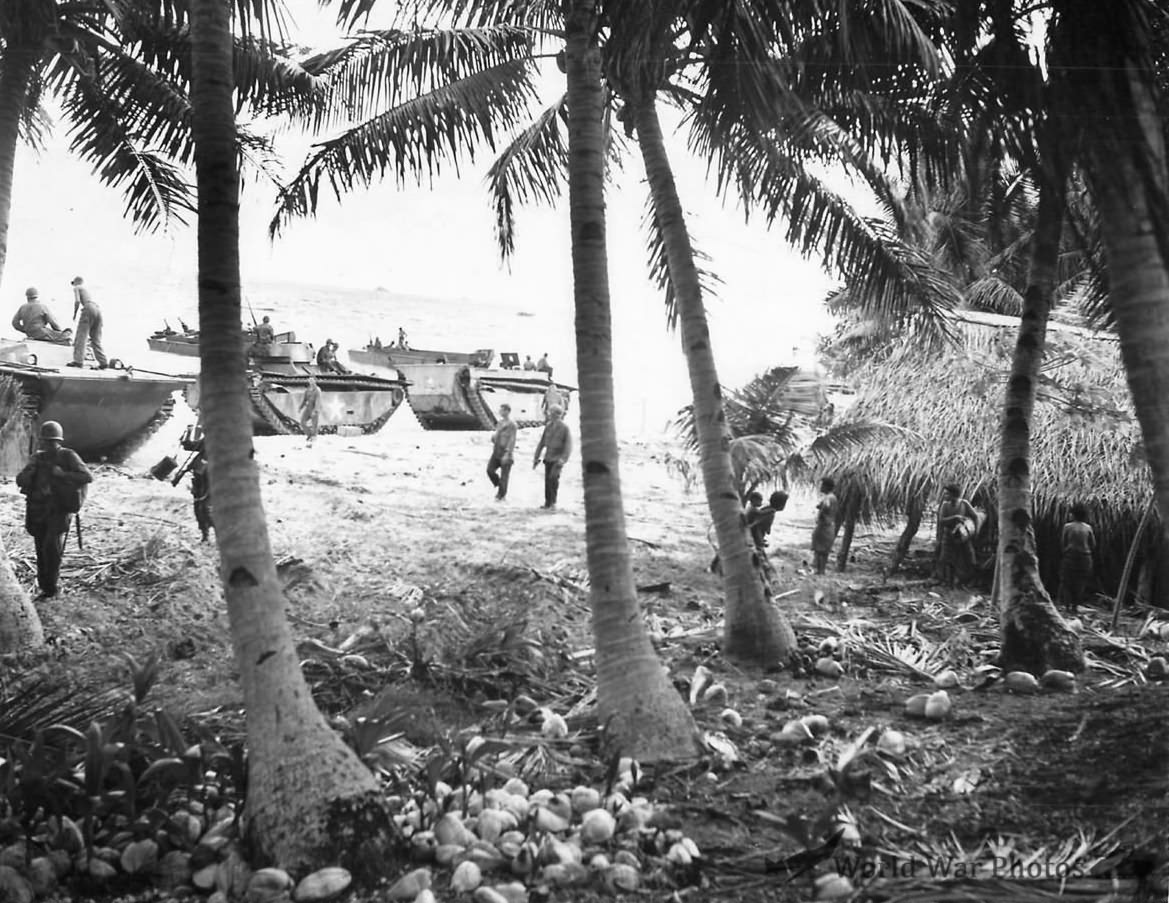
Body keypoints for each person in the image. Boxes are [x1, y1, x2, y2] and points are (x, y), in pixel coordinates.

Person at [15, 421, 92, 600]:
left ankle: (52, 587)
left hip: (59, 510)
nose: (48, 445)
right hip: (38, 510)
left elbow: (87, 476)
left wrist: (62, 474)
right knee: (41, 548)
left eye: (52, 441)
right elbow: (20, 480)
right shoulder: (37, 458)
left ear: (58, 441)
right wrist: (30, 472)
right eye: (46, 441)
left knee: (51, 547)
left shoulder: (68, 456)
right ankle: (45, 587)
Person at [936, 482, 979, 588]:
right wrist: (955, 518)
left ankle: (968, 581)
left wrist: (975, 531)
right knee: (947, 559)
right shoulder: (945, 505)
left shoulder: (964, 504)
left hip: (963, 535)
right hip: (948, 536)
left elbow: (975, 516)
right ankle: (949, 583)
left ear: (954, 494)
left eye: (947, 494)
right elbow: (941, 520)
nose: (945, 496)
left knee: (969, 557)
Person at [1058, 504, 1096, 614]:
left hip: (1070, 557)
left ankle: (1067, 606)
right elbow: (1093, 544)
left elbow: (1063, 543)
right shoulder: (1088, 528)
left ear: (1073, 515)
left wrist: (1066, 552)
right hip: (1085, 558)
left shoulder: (1067, 527)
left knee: (1067, 581)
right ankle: (1075, 606)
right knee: (1080, 582)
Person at [533, 404, 572, 510]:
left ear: (557, 414)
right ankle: (547, 502)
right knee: (547, 480)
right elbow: (542, 443)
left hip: (558, 459)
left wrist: (563, 459)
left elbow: (568, 446)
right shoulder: (548, 426)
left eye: (550, 412)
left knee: (553, 478)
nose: (548, 414)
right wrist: (536, 457)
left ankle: (553, 502)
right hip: (548, 458)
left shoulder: (565, 428)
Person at [68, 277, 108, 369]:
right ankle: (103, 362)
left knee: (81, 336)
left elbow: (77, 301)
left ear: (75, 283)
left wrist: (74, 314)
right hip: (97, 309)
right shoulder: (87, 290)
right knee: (96, 338)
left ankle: (78, 361)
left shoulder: (77, 288)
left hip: (88, 308)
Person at [487, 403, 517, 501]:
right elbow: (497, 434)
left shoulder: (512, 424)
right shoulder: (500, 423)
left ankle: (501, 495)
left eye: (502, 410)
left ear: (507, 411)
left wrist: (508, 452)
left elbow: (512, 439)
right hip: (496, 450)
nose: (500, 412)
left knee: (504, 475)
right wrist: (494, 438)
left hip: (505, 452)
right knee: (490, 470)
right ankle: (499, 485)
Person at [811, 477, 838, 575]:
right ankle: (820, 570)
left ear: (826, 486)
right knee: (823, 549)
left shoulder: (828, 498)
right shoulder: (832, 497)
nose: (820, 487)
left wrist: (821, 513)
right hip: (829, 525)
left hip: (824, 526)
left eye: (822, 485)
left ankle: (820, 570)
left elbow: (826, 506)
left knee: (820, 549)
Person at [299, 375, 322, 446]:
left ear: (315, 381)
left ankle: (314, 437)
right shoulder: (308, 390)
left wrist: (315, 410)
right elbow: (304, 399)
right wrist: (300, 407)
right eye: (310, 380)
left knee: (314, 424)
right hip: (308, 407)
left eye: (312, 380)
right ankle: (309, 435)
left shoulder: (317, 390)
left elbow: (318, 401)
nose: (311, 381)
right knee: (302, 422)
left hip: (314, 407)